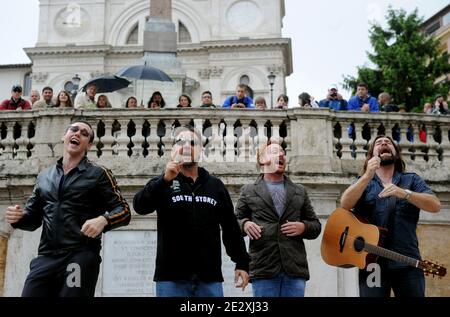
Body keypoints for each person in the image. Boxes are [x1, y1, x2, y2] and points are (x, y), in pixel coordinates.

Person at [5, 120, 131, 297]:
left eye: (84, 133)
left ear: (89, 145)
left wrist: (104, 220)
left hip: (78, 257)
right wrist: (18, 218)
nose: (78, 133)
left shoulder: (99, 174)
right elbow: (33, 220)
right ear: (64, 136)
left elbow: (124, 211)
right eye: (74, 129)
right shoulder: (44, 177)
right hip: (46, 257)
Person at [133, 125, 250, 297]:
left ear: (201, 150)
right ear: (174, 149)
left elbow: (231, 228)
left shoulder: (215, 186)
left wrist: (241, 262)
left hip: (209, 278)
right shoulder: (162, 183)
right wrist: (164, 180)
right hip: (171, 278)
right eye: (181, 142)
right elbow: (140, 206)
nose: (187, 146)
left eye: (193, 143)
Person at [340, 135, 441, 297]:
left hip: (407, 261)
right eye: (378, 143)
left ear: (396, 153)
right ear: (372, 155)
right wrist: (367, 175)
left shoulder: (411, 180)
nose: (384, 143)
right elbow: (344, 204)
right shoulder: (363, 182)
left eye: (388, 142)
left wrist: (405, 194)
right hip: (372, 264)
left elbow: (435, 205)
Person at [235, 140, 321, 297]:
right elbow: (234, 222)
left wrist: (303, 227)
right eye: (274, 152)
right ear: (262, 159)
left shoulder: (299, 191)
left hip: (294, 269)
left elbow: (316, 225)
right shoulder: (248, 190)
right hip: (263, 268)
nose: (281, 154)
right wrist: (245, 224)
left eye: (282, 152)